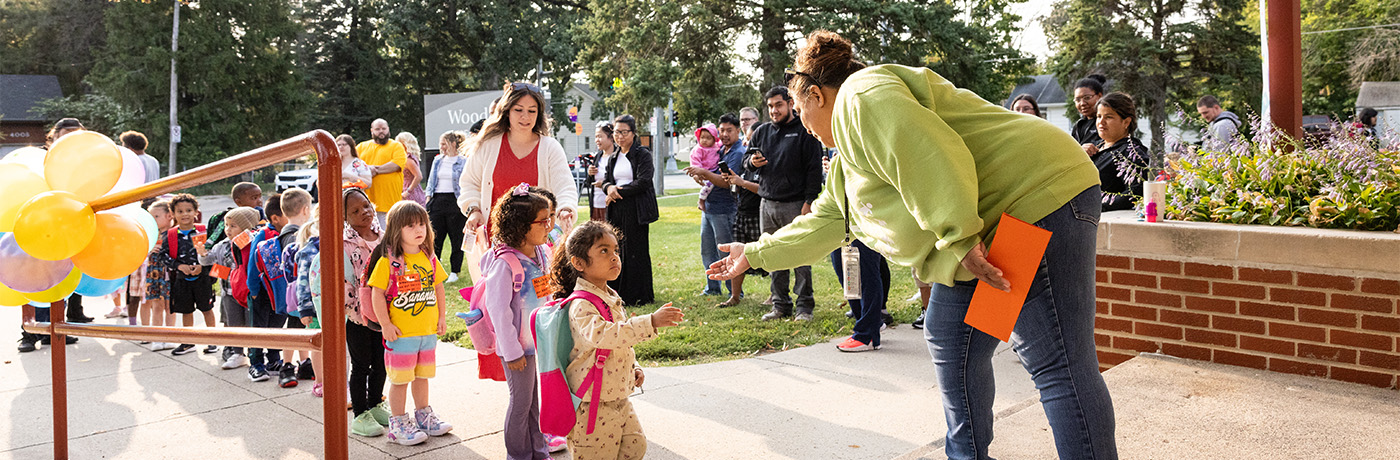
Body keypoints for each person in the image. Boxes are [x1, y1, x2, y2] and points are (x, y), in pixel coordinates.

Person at [708, 31, 1117, 460]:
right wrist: (753, 253)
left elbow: (928, 151)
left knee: (1056, 363)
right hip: (992, 228)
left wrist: (959, 237)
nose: (808, 129)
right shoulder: (848, 157)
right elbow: (827, 223)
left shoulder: (860, 96)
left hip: (1037, 197)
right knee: (950, 334)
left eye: (802, 114)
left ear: (815, 94)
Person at [547, 221, 684, 459]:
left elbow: (618, 343)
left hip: (617, 395)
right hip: (592, 403)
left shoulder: (609, 296)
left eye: (615, 251)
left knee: (635, 447)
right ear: (579, 263)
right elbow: (606, 335)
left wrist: (634, 366)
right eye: (603, 251)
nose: (614, 257)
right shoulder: (581, 304)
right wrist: (649, 322)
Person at [476, 185, 556, 459]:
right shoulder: (505, 264)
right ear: (522, 226)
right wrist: (511, 352)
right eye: (543, 221)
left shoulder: (541, 253)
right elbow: (499, 311)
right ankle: (518, 455)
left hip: (538, 342)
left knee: (534, 402)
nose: (549, 225)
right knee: (521, 403)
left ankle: (539, 449)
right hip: (517, 348)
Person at [366, 201, 453, 446]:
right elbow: (376, 293)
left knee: (422, 377)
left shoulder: (429, 257)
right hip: (401, 334)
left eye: (422, 224)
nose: (419, 229)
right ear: (396, 230)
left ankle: (424, 416)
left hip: (426, 332)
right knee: (400, 379)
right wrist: (385, 324)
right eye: (410, 225)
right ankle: (398, 424)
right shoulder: (389, 261)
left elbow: (438, 288)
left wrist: (442, 318)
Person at [458, 82, 579, 243]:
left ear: (539, 114)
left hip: (538, 246)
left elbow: (565, 187)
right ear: (507, 111)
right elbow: (469, 184)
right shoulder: (487, 145)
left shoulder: (550, 148)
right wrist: (474, 209)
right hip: (495, 246)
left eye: (531, 111)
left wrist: (565, 208)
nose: (525, 116)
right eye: (518, 110)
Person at [749, 86, 824, 321]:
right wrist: (752, 162)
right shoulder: (761, 132)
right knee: (772, 256)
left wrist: (809, 201)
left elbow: (814, 169)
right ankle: (780, 305)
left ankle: (804, 307)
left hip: (796, 204)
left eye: (778, 105)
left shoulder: (804, 130)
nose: (774, 110)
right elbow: (745, 160)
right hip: (767, 203)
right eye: (770, 106)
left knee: (800, 257)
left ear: (790, 104)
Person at [340, 187, 392, 437]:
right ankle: (360, 413)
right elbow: (345, 280)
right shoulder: (344, 242)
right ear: (345, 217)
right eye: (355, 211)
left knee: (382, 360)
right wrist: (353, 310)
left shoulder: (384, 236)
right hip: (359, 316)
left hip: (384, 312)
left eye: (367, 206)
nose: (365, 213)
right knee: (362, 364)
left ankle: (376, 403)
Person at [598, 114, 659, 306]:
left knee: (636, 250)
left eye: (624, 132)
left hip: (636, 207)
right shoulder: (613, 156)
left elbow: (644, 181)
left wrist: (618, 191)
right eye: (617, 132)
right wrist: (609, 188)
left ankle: (640, 294)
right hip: (616, 207)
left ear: (633, 133)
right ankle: (620, 292)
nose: (620, 136)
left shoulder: (642, 154)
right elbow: (607, 180)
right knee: (617, 249)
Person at [687, 113, 747, 304]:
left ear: (738, 130)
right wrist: (698, 173)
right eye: (721, 130)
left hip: (725, 208)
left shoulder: (737, 153)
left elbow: (726, 182)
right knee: (708, 251)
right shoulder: (720, 149)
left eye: (729, 130)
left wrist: (703, 172)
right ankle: (712, 287)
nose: (724, 134)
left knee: (726, 252)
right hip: (710, 208)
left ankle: (734, 292)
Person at [153, 194, 218, 357]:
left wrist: (201, 268)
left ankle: (213, 340)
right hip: (182, 279)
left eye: (189, 210)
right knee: (186, 311)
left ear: (196, 212)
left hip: (203, 279)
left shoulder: (204, 231)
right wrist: (179, 266)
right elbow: (163, 256)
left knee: (207, 309)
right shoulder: (170, 235)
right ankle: (188, 341)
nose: (185, 214)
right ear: (173, 214)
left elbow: (213, 253)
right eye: (180, 211)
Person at [199, 206, 261, 370]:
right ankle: (237, 353)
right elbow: (208, 263)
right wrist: (203, 254)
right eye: (227, 225)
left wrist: (235, 274)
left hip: (249, 293)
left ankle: (255, 353)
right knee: (233, 323)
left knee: (252, 324)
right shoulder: (222, 245)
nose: (228, 229)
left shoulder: (254, 242)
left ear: (247, 226)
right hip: (229, 292)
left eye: (233, 226)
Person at [245, 194, 288, 383]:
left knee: (276, 326)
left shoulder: (289, 233)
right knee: (259, 328)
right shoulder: (264, 234)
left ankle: (273, 359)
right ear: (275, 218)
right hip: (261, 292)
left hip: (280, 292)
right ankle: (255, 363)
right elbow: (253, 265)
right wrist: (253, 290)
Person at [1095, 92, 1151, 212]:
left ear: (1126, 122)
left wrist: (1097, 205)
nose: (1101, 122)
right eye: (1099, 116)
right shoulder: (1094, 147)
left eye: (1108, 117)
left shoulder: (1132, 152)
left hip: (1099, 219)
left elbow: (1135, 193)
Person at [426, 131, 468, 283]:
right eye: (440, 144)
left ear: (453, 144)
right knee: (435, 237)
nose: (442, 147)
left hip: (455, 201)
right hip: (438, 201)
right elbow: (431, 181)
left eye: (444, 144)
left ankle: (454, 271)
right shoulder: (438, 160)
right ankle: (435, 269)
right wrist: (428, 200)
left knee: (456, 238)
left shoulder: (463, 161)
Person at [293, 212, 323, 396]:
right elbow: (302, 283)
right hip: (313, 308)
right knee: (318, 346)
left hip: (335, 307)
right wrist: (304, 309)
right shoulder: (308, 252)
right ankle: (319, 381)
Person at [357, 119, 409, 226]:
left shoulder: (396, 146)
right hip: (366, 203)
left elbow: (396, 165)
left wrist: (374, 170)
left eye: (384, 129)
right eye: (377, 129)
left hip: (390, 203)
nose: (381, 131)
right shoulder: (361, 147)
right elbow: (353, 165)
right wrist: (368, 171)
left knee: (389, 238)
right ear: (372, 131)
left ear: (388, 129)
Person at [143, 200, 174, 351]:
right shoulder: (150, 234)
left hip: (169, 272)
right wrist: (149, 249)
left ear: (169, 216)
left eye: (156, 216)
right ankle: (157, 338)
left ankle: (170, 336)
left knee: (170, 306)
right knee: (156, 305)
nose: (153, 220)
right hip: (154, 273)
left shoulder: (174, 233)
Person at [587, 122, 619, 221]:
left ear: (611, 137)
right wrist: (590, 173)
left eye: (600, 136)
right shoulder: (598, 156)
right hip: (596, 205)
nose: (597, 140)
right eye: (596, 137)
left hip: (611, 206)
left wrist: (605, 185)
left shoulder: (618, 156)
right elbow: (589, 182)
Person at [1072, 74, 1107, 156]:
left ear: (1099, 96)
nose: (1082, 103)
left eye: (1087, 98)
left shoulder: (1106, 122)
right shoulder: (1079, 125)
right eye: (1078, 100)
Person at [397, 132, 428, 206]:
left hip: (410, 195)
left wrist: (407, 191)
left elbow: (418, 176)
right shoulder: (411, 157)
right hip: (412, 193)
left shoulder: (408, 160)